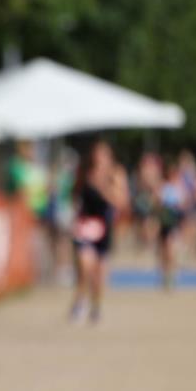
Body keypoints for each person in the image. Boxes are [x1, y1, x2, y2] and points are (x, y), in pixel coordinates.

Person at [68, 139, 129, 324]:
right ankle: (79, 302)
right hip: (85, 226)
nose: (99, 158)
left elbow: (122, 202)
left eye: (103, 154)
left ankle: (96, 305)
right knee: (85, 266)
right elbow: (74, 196)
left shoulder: (116, 174)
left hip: (104, 227)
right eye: (97, 153)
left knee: (99, 274)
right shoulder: (85, 172)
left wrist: (104, 188)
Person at [155, 158, 192, 290]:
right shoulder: (163, 186)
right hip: (165, 221)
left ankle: (172, 275)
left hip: (174, 222)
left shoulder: (179, 187)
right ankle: (165, 275)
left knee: (171, 249)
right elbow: (158, 203)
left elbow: (184, 205)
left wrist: (178, 209)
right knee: (164, 250)